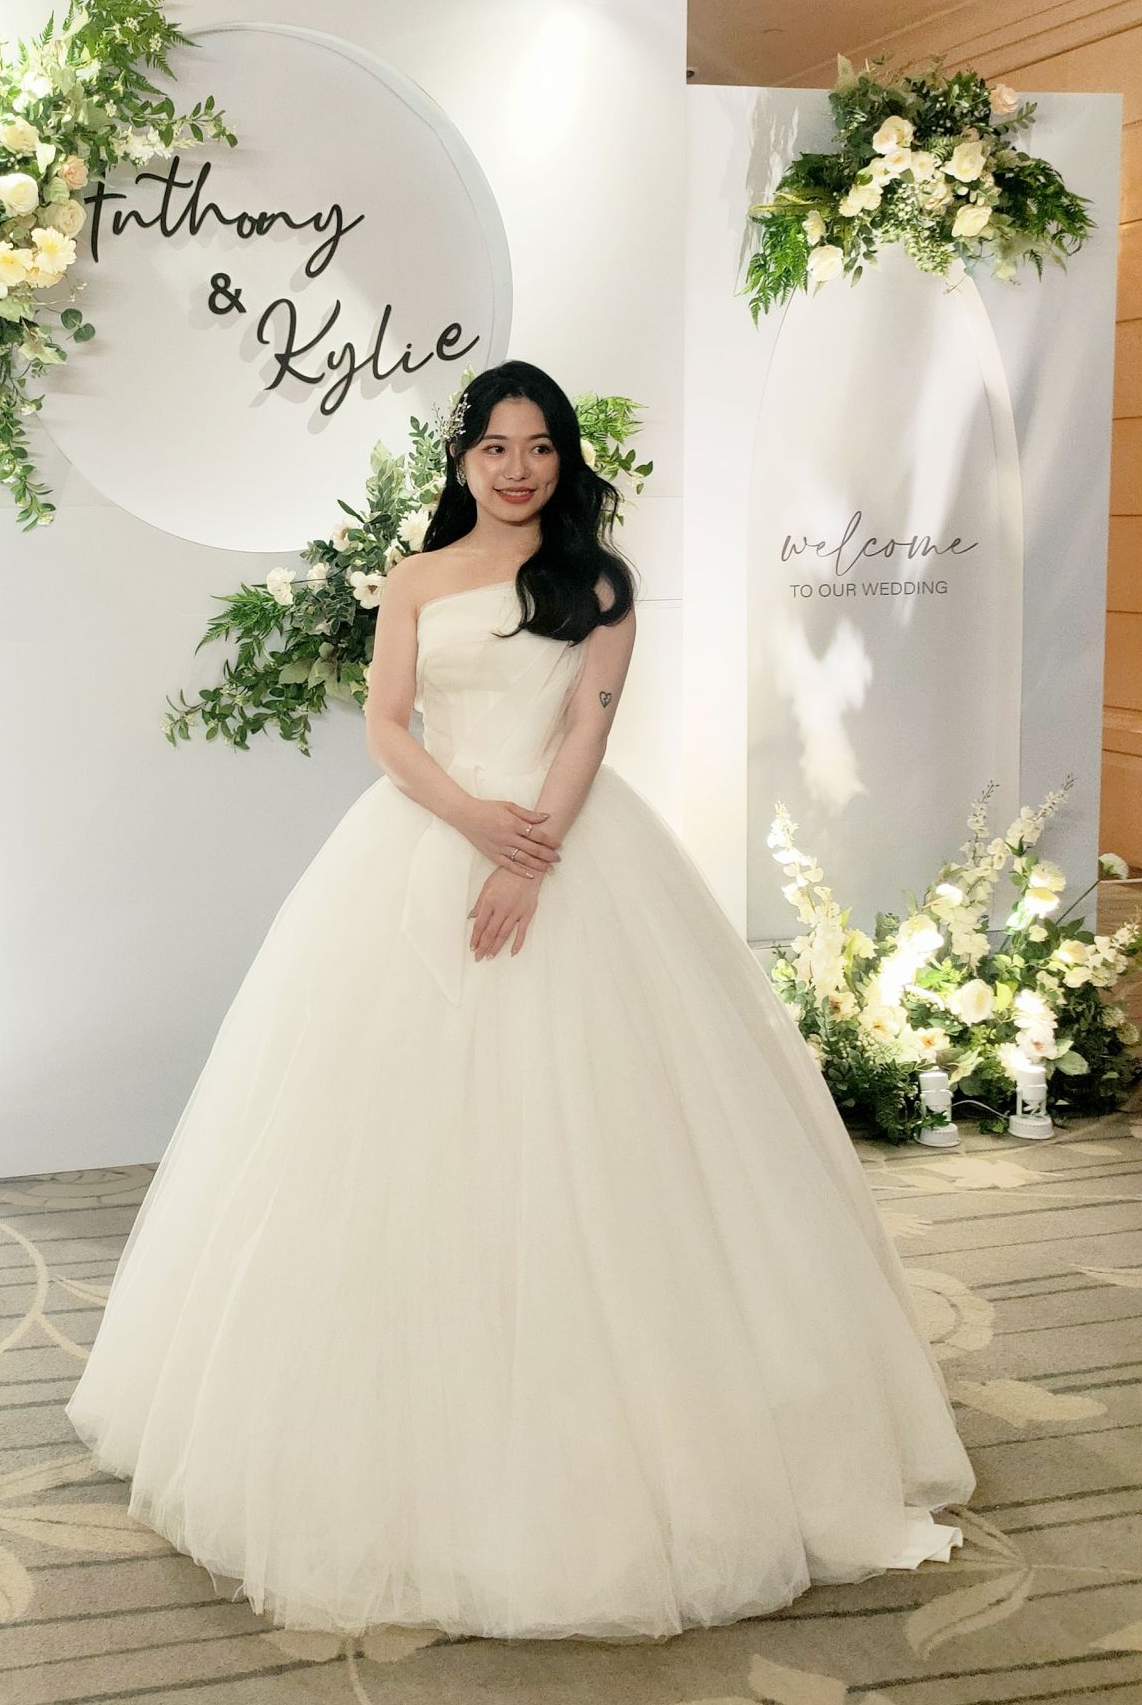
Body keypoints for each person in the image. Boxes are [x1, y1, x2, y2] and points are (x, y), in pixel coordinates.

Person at [65, 358, 975, 1640]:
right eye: (495, 445)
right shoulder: (416, 579)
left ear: (564, 457)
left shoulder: (598, 585)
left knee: (611, 1150)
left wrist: (528, 854)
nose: (517, 467)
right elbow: (389, 728)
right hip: (429, 839)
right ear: (462, 457)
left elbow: (585, 732)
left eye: (539, 445)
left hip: (565, 848)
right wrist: (472, 821)